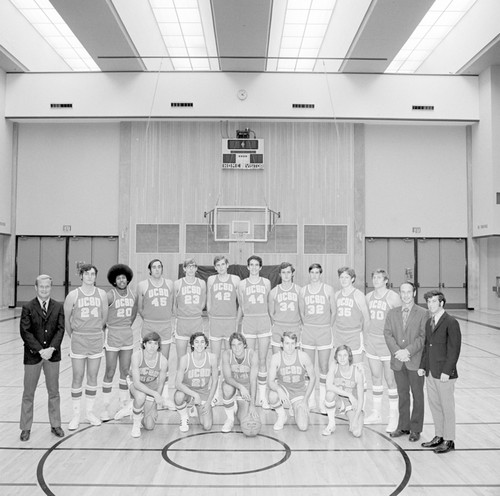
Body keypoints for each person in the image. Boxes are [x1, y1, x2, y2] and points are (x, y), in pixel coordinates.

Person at [19, 274, 65, 441]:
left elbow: (61, 330)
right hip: (33, 356)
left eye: (47, 286)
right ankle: (25, 427)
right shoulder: (28, 307)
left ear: (51, 288)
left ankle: (55, 424)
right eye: (42, 286)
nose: (45, 289)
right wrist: (40, 350)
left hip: (52, 356)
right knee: (28, 393)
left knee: (54, 392)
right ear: (36, 288)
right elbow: (25, 332)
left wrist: (51, 348)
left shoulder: (58, 307)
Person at [64, 264, 108, 430]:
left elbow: (104, 318)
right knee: (77, 376)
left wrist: (96, 331)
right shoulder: (73, 295)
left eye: (93, 274)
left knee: (92, 376)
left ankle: (89, 412)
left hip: (96, 338)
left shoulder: (102, 294)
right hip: (79, 339)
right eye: (87, 274)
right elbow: (67, 320)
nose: (90, 277)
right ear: (81, 276)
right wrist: (74, 336)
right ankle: (76, 415)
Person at [418, 290, 461, 454]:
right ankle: (439, 435)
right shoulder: (430, 322)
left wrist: (447, 371)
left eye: (434, 302)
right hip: (430, 372)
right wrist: (423, 366)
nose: (430, 305)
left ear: (441, 303)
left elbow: (454, 349)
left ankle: (449, 440)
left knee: (447, 407)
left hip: (444, 374)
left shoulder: (451, 322)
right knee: (435, 405)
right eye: (428, 302)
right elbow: (426, 347)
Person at [384, 282, 427, 441]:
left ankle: (416, 429)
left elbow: (423, 337)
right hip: (398, 361)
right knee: (402, 394)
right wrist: (397, 352)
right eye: (403, 292)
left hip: (414, 360)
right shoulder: (392, 313)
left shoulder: (423, 313)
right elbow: (388, 334)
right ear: (399, 294)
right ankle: (403, 426)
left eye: (409, 292)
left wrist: (407, 351)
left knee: (417, 395)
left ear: (414, 293)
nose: (406, 295)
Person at [364, 269, 401, 431]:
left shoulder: (392, 297)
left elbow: (400, 320)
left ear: (386, 280)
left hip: (387, 343)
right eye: (374, 277)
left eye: (379, 277)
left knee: (390, 379)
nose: (376, 279)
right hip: (372, 341)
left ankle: (393, 416)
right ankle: (376, 413)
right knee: (375, 376)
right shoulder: (368, 297)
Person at [136, 259, 175, 409]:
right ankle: (146, 394)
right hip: (149, 326)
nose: (157, 269)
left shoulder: (170, 284)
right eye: (154, 267)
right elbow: (140, 308)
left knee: (163, 363)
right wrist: (149, 320)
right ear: (150, 270)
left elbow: (171, 305)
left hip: (165, 326)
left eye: (159, 267)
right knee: (146, 363)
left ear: (162, 269)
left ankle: (163, 397)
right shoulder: (142, 285)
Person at [101, 264, 138, 421]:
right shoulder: (109, 296)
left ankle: (124, 403)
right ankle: (105, 407)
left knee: (125, 371)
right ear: (114, 281)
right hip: (112, 335)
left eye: (124, 277)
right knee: (110, 371)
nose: (122, 280)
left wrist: (126, 325)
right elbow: (102, 318)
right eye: (118, 278)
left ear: (127, 279)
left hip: (127, 335)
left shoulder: (133, 294)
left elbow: (134, 314)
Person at [298, 263, 335, 412]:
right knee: (308, 367)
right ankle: (311, 400)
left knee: (324, 367)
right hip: (308, 332)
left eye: (317, 272)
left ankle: (323, 402)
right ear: (309, 274)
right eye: (312, 272)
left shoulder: (328, 289)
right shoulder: (303, 291)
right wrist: (306, 324)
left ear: (321, 274)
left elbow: (334, 311)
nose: (314, 275)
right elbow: (301, 312)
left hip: (324, 332)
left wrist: (328, 326)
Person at [237, 255, 272, 408]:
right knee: (250, 362)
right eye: (251, 264)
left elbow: (269, 302)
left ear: (261, 267)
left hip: (263, 321)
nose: (254, 267)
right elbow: (241, 305)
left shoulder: (266, 282)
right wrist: (238, 324)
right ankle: (249, 395)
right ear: (247, 267)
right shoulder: (242, 284)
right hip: (249, 322)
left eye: (256, 265)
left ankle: (263, 397)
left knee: (263, 360)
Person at [207, 255, 240, 404]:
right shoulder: (211, 280)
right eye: (218, 265)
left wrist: (237, 321)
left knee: (230, 358)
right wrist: (210, 314)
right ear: (215, 267)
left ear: (227, 265)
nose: (220, 267)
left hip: (230, 321)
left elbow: (241, 302)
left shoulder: (235, 279)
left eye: (223, 264)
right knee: (215, 358)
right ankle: (213, 393)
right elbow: (209, 300)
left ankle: (231, 389)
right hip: (215, 322)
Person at [268, 331, 315, 431]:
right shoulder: (276, 358)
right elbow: (270, 381)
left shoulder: (303, 357)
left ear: (296, 344)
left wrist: (305, 400)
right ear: (281, 344)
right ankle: (282, 415)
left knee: (303, 427)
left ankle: (295, 408)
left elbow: (313, 378)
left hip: (299, 392)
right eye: (287, 343)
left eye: (292, 343)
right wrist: (279, 390)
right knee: (272, 396)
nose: (290, 347)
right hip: (284, 389)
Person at [174, 332, 218, 432]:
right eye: (197, 342)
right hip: (188, 392)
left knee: (207, 426)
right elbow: (177, 383)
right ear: (192, 344)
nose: (200, 344)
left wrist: (208, 402)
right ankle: (184, 417)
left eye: (202, 342)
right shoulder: (185, 359)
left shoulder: (212, 358)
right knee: (178, 396)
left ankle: (195, 408)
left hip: (203, 393)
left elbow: (215, 381)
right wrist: (195, 395)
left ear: (206, 344)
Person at [129, 332, 168, 438]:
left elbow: (161, 384)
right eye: (149, 343)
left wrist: (155, 406)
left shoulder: (163, 361)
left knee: (149, 426)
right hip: (136, 383)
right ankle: (136, 425)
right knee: (141, 396)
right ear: (144, 344)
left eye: (155, 344)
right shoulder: (137, 356)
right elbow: (137, 383)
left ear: (158, 346)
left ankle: (135, 410)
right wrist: (154, 394)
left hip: (151, 386)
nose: (152, 346)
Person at [323, 345, 365, 437]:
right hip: (339, 401)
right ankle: (331, 424)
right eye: (339, 355)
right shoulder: (334, 366)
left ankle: (358, 415)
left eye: (345, 355)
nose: (342, 358)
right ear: (336, 357)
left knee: (356, 433)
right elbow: (328, 385)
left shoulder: (357, 372)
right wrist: (349, 395)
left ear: (349, 356)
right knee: (329, 394)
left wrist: (355, 419)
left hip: (352, 405)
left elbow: (361, 400)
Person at [220, 332, 259, 433]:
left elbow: (253, 381)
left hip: (247, 389)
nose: (237, 348)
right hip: (233, 385)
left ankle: (237, 406)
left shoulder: (252, 355)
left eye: (239, 344)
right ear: (230, 347)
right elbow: (228, 378)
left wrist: (252, 405)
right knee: (226, 388)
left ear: (245, 345)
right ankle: (230, 419)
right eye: (233, 345)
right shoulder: (227, 354)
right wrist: (240, 387)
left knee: (243, 420)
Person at [333, 267, 370, 364]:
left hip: (354, 335)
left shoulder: (358, 295)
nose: (344, 280)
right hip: (340, 335)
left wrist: (365, 338)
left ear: (352, 279)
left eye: (346, 277)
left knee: (357, 367)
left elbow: (367, 319)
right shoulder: (337, 295)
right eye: (341, 277)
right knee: (340, 366)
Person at [174, 258, 207, 359]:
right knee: (181, 356)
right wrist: (179, 317)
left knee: (198, 355)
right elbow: (174, 305)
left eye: (193, 266)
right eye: (189, 266)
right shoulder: (178, 283)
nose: (191, 269)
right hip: (182, 322)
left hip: (196, 322)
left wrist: (196, 311)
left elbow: (203, 301)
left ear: (196, 268)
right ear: (184, 268)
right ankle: (182, 374)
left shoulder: (201, 283)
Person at [269, 262, 301, 354]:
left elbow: (302, 311)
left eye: (288, 272)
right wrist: (275, 325)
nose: (286, 275)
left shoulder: (299, 290)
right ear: (280, 274)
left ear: (292, 274)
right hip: (279, 327)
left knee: (295, 359)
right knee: (277, 359)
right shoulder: (273, 292)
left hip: (294, 327)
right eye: (283, 272)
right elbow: (271, 312)